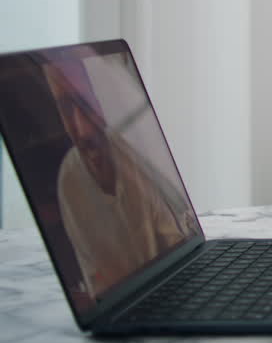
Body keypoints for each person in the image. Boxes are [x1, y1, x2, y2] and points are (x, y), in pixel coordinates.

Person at [46, 57, 196, 300]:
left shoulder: (137, 157)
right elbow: (100, 287)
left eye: (87, 104)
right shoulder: (69, 179)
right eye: (66, 108)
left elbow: (180, 245)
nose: (83, 130)